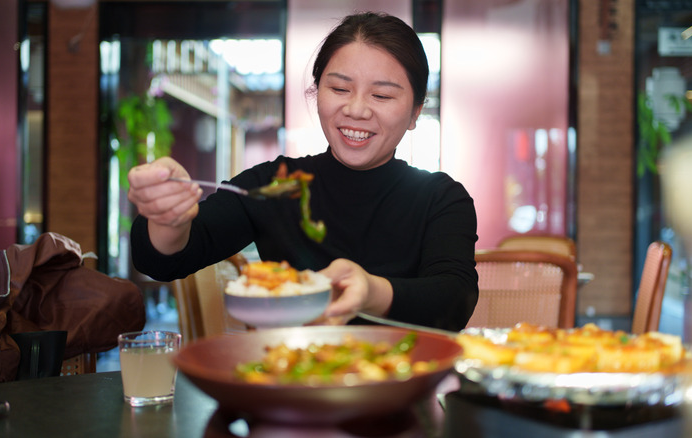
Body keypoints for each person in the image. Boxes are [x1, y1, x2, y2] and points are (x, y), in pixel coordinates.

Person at [128, 11, 478, 331]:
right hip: (291, 380)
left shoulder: (441, 198)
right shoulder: (274, 185)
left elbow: (454, 299)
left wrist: (371, 292)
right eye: (340, 89)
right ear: (316, 93)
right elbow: (161, 261)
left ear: (416, 112)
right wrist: (167, 218)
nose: (356, 110)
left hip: (406, 383)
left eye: (382, 96)